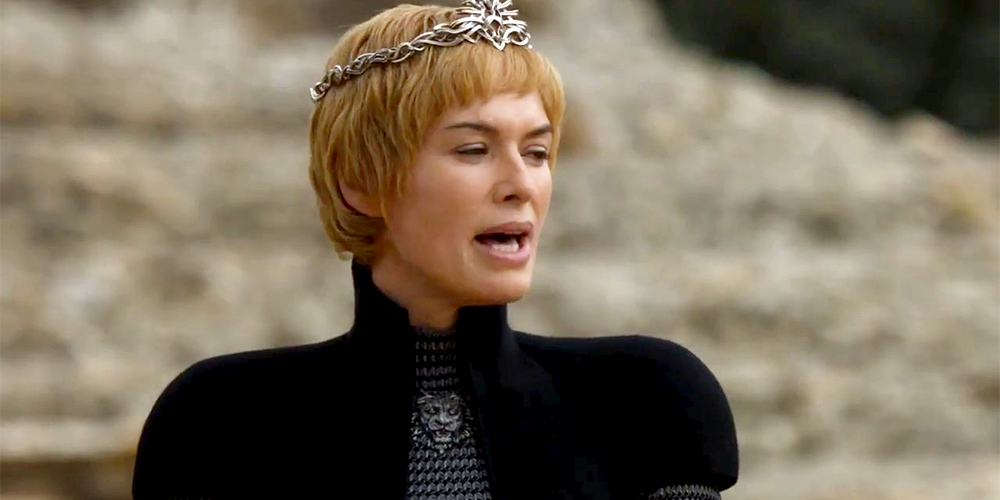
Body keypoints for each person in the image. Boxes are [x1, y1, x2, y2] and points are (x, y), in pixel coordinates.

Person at [131, 1, 739, 498]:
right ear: (360, 181)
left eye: (536, 152)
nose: (521, 184)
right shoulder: (220, 421)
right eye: (474, 150)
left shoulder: (648, 400)